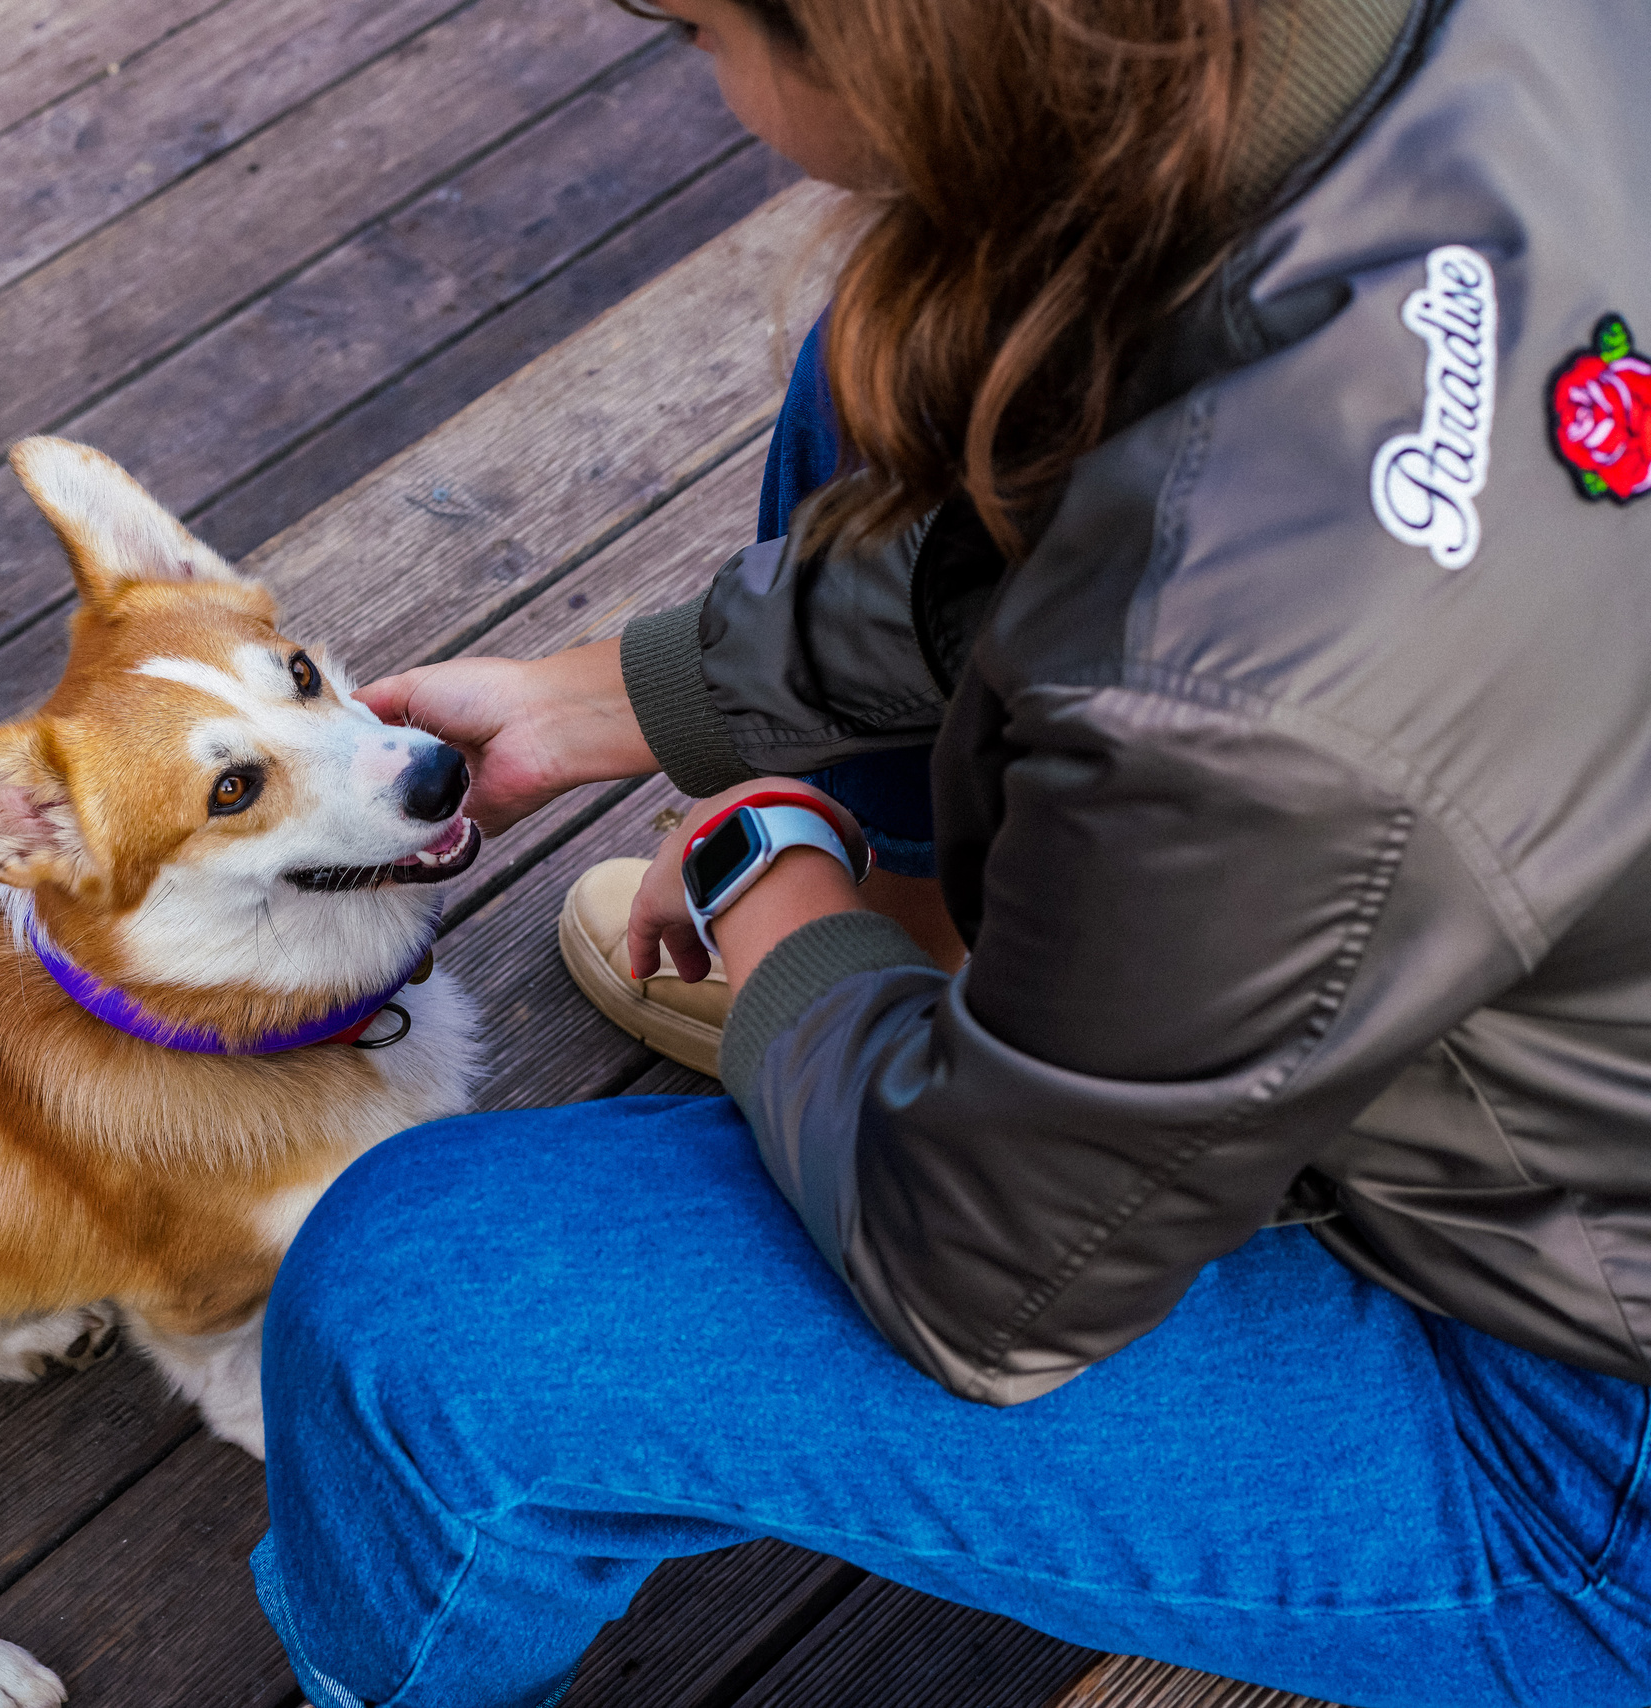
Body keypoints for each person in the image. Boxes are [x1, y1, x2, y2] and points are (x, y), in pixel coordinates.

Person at [245, 0, 1651, 1704]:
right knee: (899, 375)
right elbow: (1160, 509)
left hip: (1573, 1409)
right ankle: (959, 1011)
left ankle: (920, 1045)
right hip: (1495, 962)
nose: (704, 80)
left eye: (691, 29)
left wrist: (772, 879)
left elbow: (989, 1284)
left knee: (422, 1317)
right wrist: (635, 692)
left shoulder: (1258, 686)